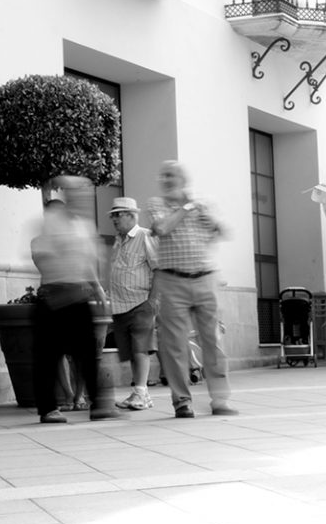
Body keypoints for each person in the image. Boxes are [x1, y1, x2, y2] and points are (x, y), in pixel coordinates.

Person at [147, 160, 237, 418]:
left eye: (170, 175)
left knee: (213, 340)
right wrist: (187, 207)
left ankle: (220, 399)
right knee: (174, 345)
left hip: (205, 278)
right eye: (162, 175)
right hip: (172, 281)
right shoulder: (156, 205)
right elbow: (162, 228)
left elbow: (223, 232)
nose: (164, 180)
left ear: (183, 180)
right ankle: (182, 401)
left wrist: (210, 219)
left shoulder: (204, 203)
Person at [31, 177, 117, 424]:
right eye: (79, 195)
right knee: (48, 357)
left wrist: (97, 288)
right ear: (69, 196)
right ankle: (48, 408)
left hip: (77, 296)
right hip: (54, 297)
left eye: (86, 195)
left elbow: (87, 260)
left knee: (88, 354)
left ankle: (99, 405)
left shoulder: (83, 225)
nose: (84, 200)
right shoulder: (52, 221)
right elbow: (44, 256)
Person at [106, 197, 157, 411]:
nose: (114, 219)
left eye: (118, 214)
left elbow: (158, 268)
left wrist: (153, 300)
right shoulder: (118, 241)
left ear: (131, 215)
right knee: (130, 353)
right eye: (113, 215)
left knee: (140, 350)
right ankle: (140, 393)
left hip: (141, 302)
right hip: (120, 305)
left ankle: (141, 392)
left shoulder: (144, 236)